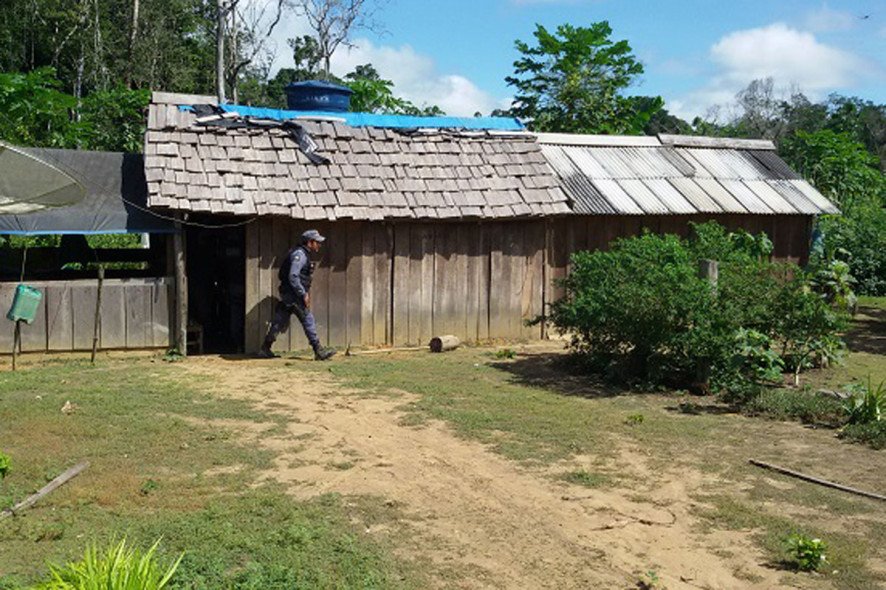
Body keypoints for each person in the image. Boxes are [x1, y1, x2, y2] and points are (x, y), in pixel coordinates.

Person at [259, 229, 336, 360]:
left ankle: (265, 348)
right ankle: (318, 351)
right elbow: (293, 276)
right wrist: (303, 293)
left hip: (288, 294)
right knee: (308, 319)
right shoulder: (300, 255)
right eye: (317, 242)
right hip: (294, 295)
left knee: (279, 320)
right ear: (310, 242)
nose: (319, 245)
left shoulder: (301, 253)